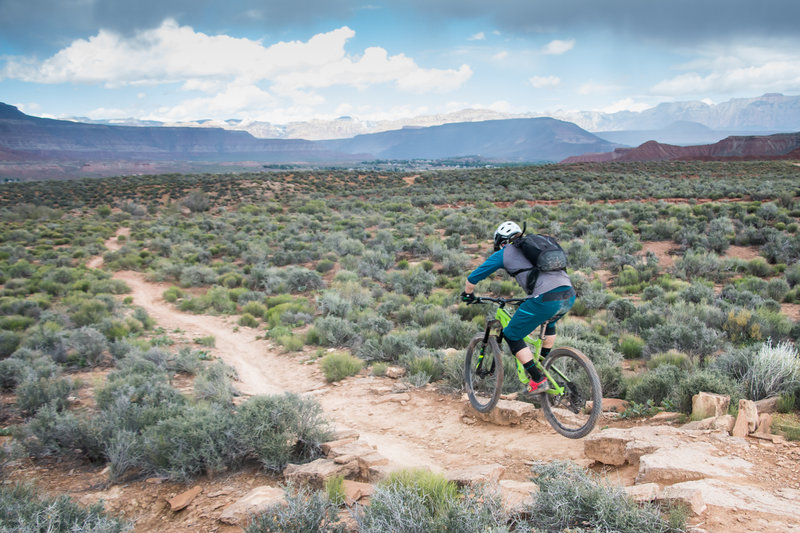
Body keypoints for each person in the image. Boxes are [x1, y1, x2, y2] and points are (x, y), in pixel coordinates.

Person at [460, 221, 575, 393]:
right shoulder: (538, 248)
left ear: (502, 242)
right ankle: (542, 365)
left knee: (511, 335)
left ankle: (537, 379)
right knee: (549, 323)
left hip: (544, 298)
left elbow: (474, 277)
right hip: (569, 294)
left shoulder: (505, 252)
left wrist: (468, 293)